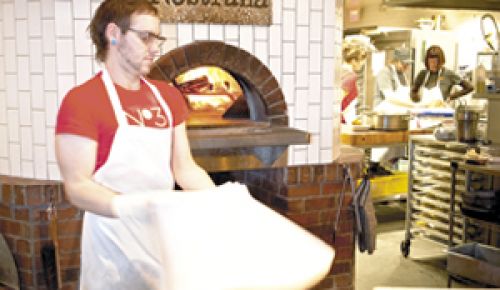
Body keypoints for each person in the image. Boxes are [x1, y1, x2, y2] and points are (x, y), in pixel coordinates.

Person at [54, 1, 215, 289]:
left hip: (161, 239)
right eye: (145, 37)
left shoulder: (167, 97)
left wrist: (220, 203)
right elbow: (77, 186)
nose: (155, 48)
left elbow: (185, 168)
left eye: (157, 38)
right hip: (113, 249)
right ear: (114, 33)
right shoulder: (82, 101)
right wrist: (131, 206)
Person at [341, 40, 369, 124]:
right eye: (362, 61)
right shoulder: (350, 76)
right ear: (353, 60)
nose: (363, 65)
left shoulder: (341, 71)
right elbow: (338, 99)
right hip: (342, 122)